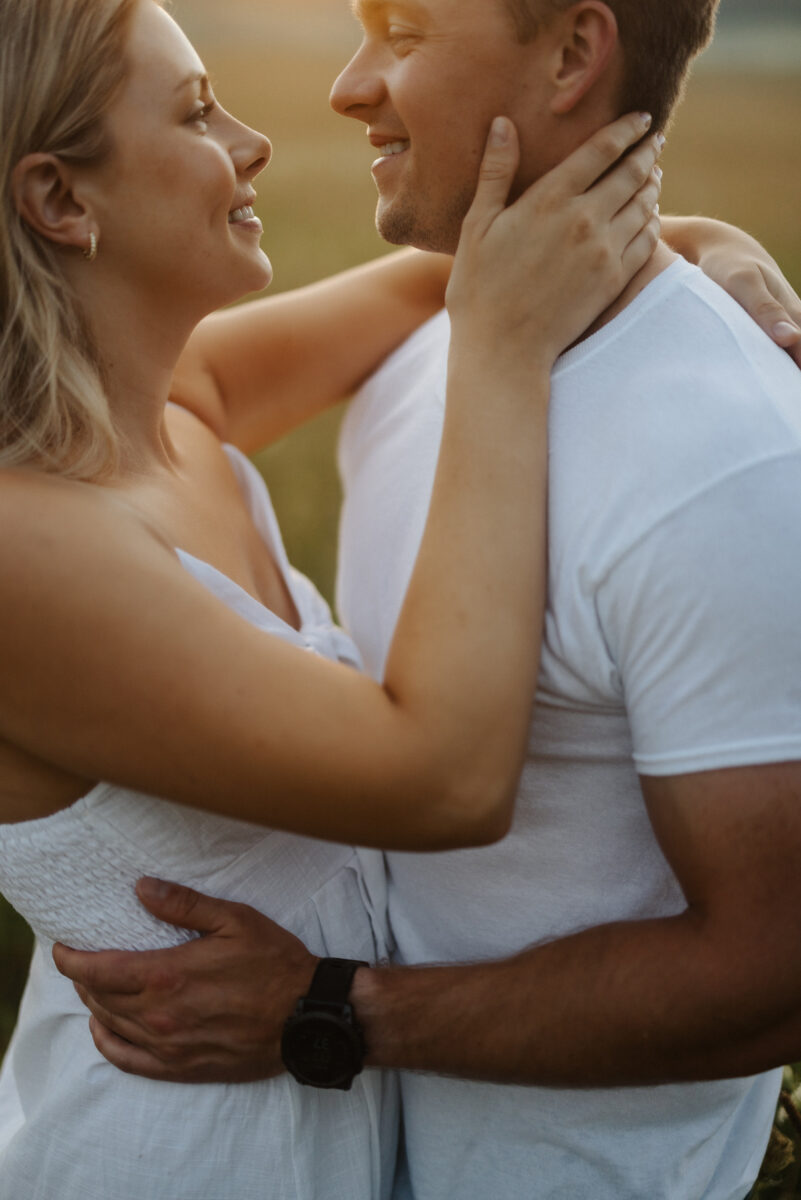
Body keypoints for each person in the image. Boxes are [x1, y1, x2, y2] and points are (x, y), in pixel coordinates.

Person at [52, 1, 801, 1198]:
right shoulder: (448, 346)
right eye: (195, 113)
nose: (342, 89)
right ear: (52, 200)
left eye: (402, 32)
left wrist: (342, 1012)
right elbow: (442, 774)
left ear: (575, 54)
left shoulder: (723, 461)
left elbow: (776, 969)